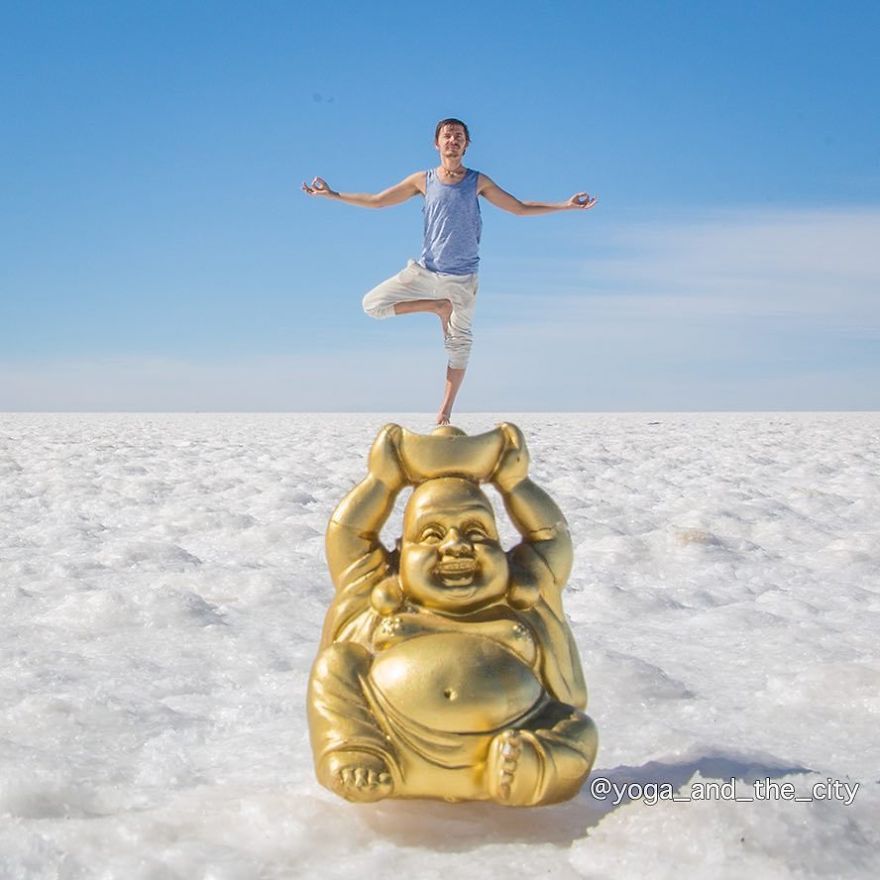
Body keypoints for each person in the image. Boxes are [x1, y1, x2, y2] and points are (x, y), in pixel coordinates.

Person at [302, 118, 598, 425]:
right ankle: (436, 307)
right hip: (424, 274)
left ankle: (444, 412)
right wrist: (332, 194)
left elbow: (519, 208)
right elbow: (378, 201)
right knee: (372, 305)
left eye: (459, 136)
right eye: (447, 136)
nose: (453, 140)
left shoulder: (478, 181)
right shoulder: (423, 180)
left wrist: (565, 205)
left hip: (462, 280)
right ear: (437, 144)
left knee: (460, 350)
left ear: (466, 145)